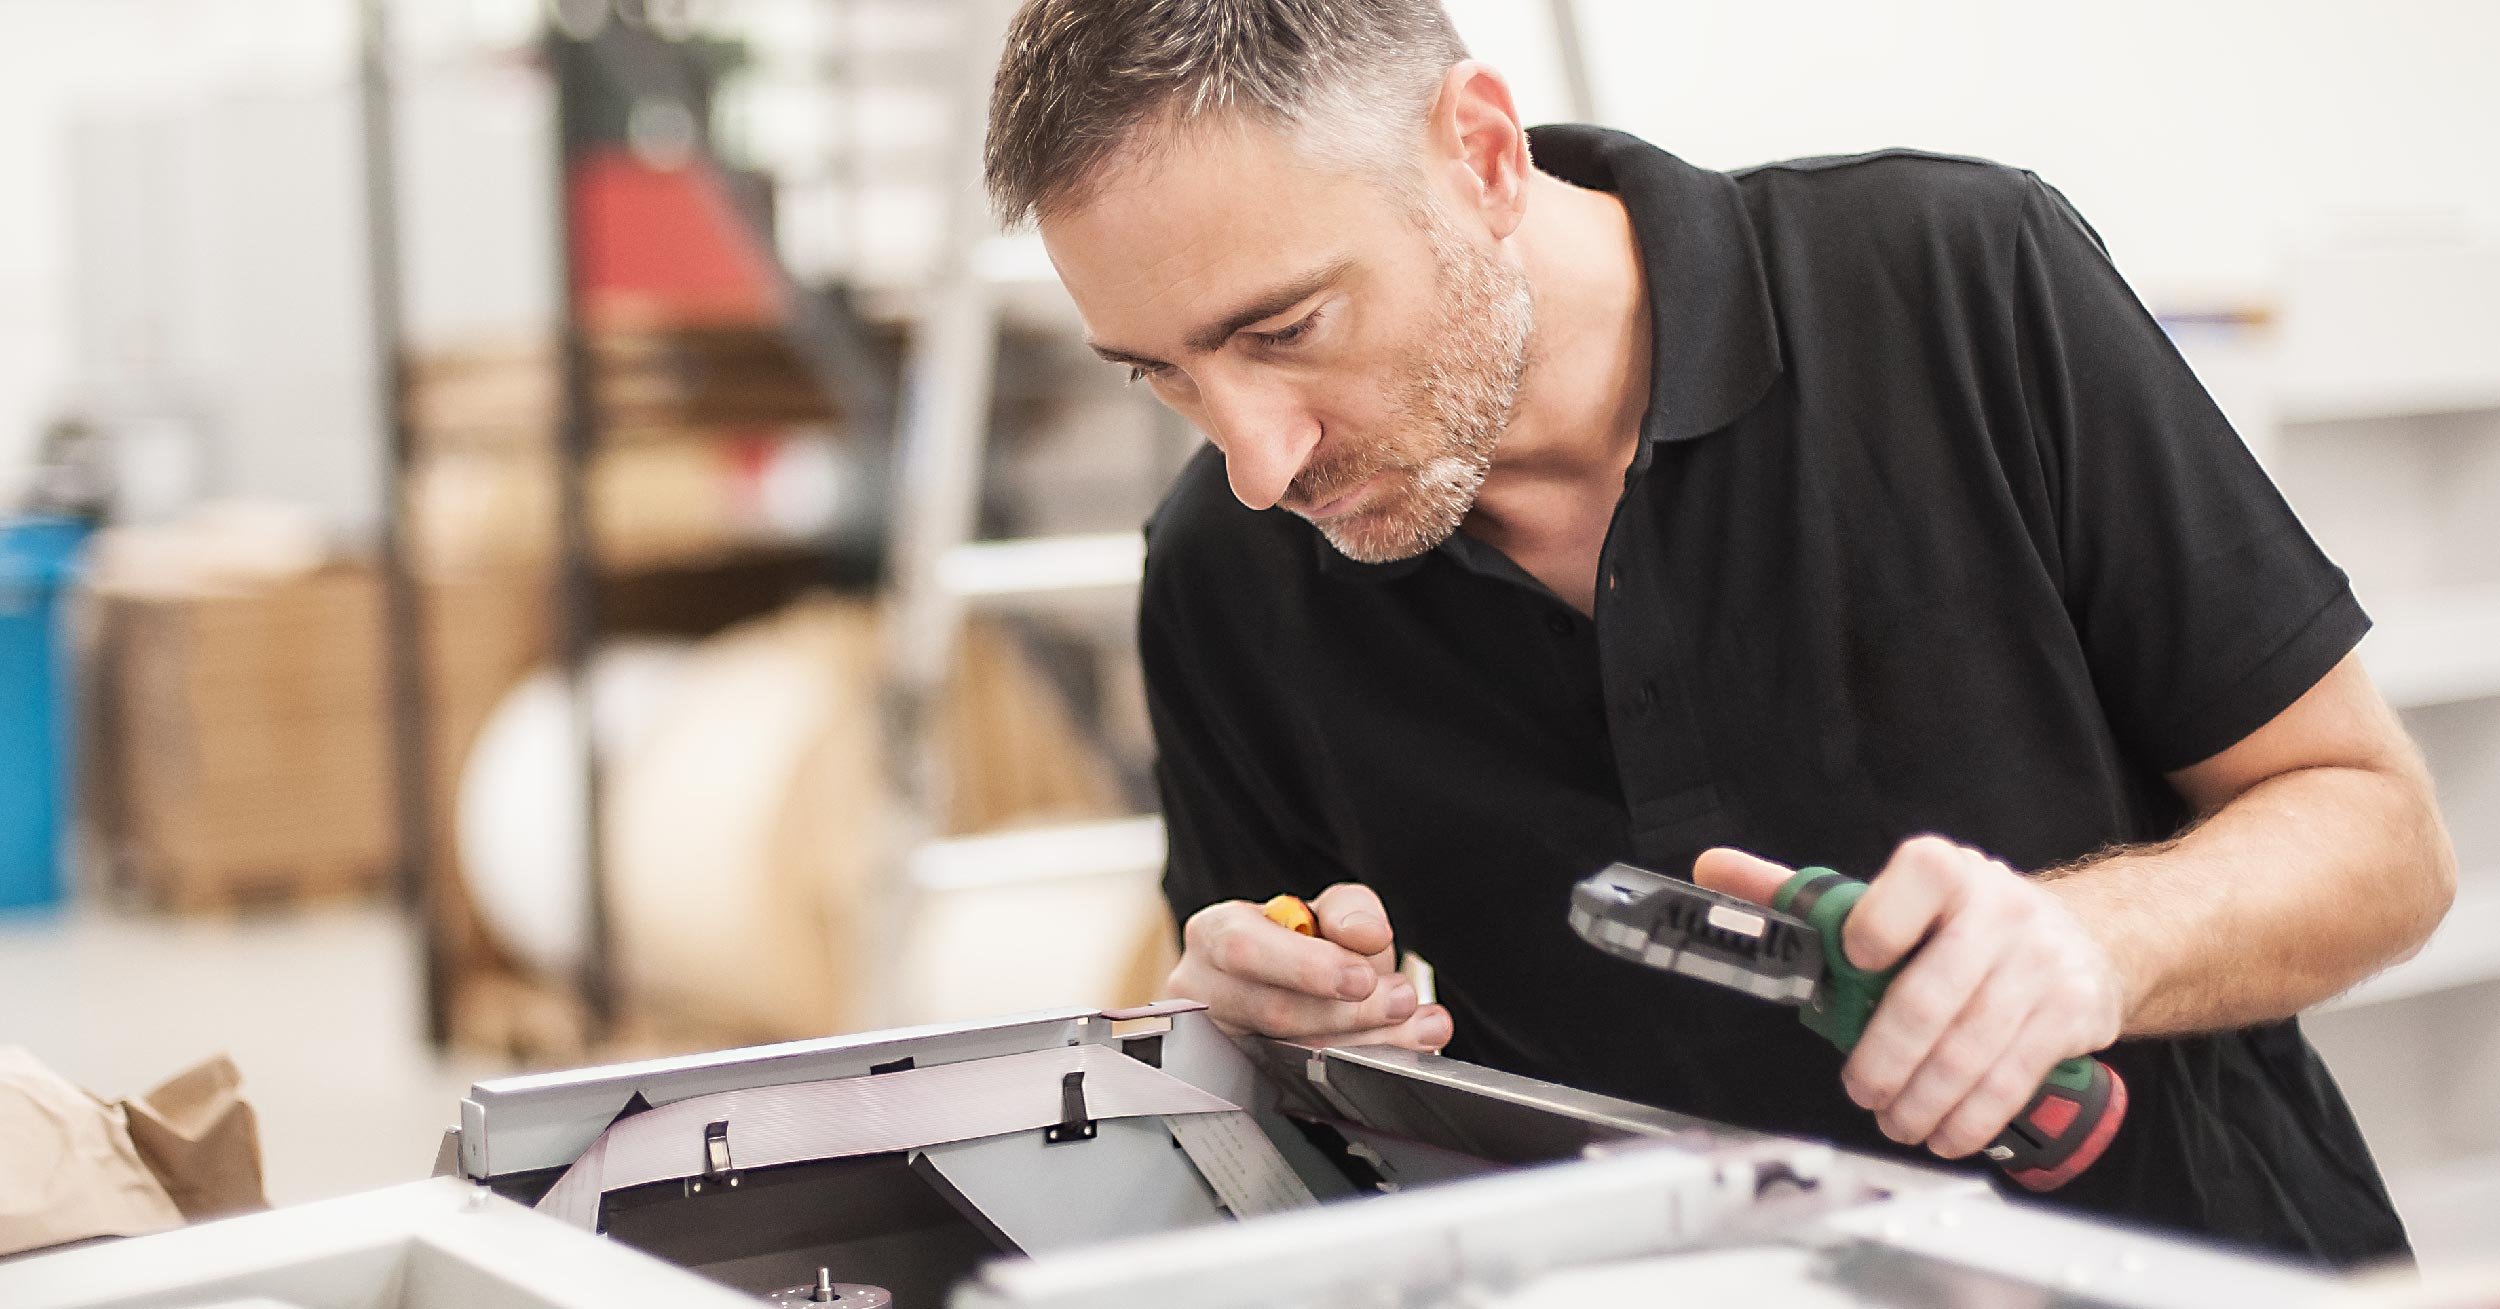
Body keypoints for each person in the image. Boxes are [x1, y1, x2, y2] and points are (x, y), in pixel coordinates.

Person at [983, 0, 2452, 1267]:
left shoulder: (1957, 280)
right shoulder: (1218, 568)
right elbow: (1285, 1101)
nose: (1255, 460)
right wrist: (1237, 1036)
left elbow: (2381, 836)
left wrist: (2088, 944)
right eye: (1156, 374)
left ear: (1483, 156)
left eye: (1285, 328)